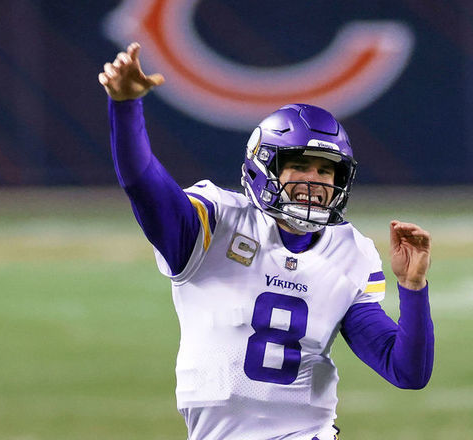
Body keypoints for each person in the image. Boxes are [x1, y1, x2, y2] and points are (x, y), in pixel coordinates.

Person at [98, 42, 434, 440]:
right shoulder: (214, 223)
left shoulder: (351, 252)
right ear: (263, 167)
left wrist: (413, 288)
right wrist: (125, 106)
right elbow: (142, 182)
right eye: (299, 166)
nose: (314, 181)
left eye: (327, 171)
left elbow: (406, 370)